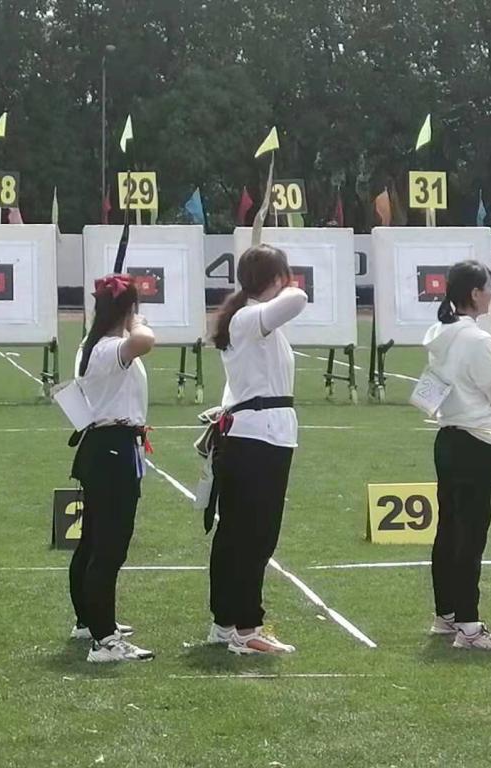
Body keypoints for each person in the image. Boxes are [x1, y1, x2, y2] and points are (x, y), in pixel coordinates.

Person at [207, 244, 307, 655]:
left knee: (237, 534)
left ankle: (226, 622)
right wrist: (286, 284)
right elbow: (297, 298)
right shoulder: (250, 318)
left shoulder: (246, 318)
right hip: (260, 437)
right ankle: (247, 628)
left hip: (258, 433)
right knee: (254, 536)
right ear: (276, 278)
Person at [423, 260, 491, 651]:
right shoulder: (476, 339)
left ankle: (446, 614)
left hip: (448, 439)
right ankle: (469, 625)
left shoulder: (440, 332)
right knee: (470, 535)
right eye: (488, 289)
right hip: (477, 441)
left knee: (449, 530)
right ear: (475, 294)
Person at [69, 274, 156, 663]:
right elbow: (145, 341)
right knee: (108, 548)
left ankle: (89, 621)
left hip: (105, 449)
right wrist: (134, 319)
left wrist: (125, 315)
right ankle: (104, 639)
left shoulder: (92, 346)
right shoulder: (108, 349)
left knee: (92, 543)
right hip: (112, 451)